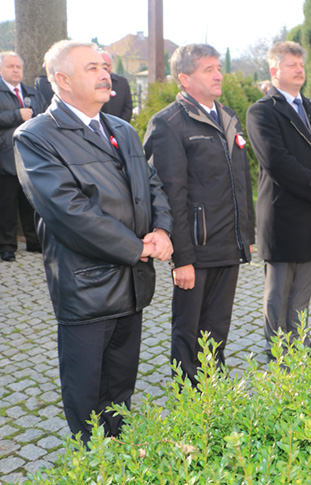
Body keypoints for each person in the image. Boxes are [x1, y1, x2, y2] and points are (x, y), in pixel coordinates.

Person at [14, 40, 173, 442]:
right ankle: (92, 464)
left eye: (104, 66)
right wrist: (137, 247)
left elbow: (152, 185)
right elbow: (70, 214)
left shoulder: (121, 129)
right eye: (91, 68)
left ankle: (119, 456)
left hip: (132, 287)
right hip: (87, 290)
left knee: (120, 391)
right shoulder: (36, 137)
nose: (105, 73)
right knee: (86, 397)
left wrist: (163, 230)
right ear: (63, 81)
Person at [143, 44, 255, 385]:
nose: (218, 74)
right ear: (185, 78)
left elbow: (242, 184)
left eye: (218, 67)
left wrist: (245, 238)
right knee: (189, 333)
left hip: (228, 246)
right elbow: (169, 197)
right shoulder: (168, 125)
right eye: (208, 69)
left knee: (218, 329)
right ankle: (189, 403)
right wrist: (183, 259)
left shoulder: (228, 117)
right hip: (196, 250)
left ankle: (212, 395)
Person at [246, 41, 311, 360]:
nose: (300, 70)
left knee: (303, 289)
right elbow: (277, 161)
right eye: (292, 65)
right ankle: (277, 347)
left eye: (302, 65)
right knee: (278, 291)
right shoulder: (262, 111)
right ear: (275, 71)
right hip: (284, 214)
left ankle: (298, 339)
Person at [0, 51, 40, 261]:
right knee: (6, 205)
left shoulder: (31, 92)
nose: (15, 70)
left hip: (28, 158)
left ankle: (34, 241)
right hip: (4, 159)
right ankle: (7, 246)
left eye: (18, 67)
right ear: (1, 70)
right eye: (10, 66)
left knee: (30, 203)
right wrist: (17, 115)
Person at [99, 51, 133, 122]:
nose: (105, 69)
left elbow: (128, 108)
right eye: (102, 66)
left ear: (111, 66)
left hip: (120, 127)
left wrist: (118, 128)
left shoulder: (122, 82)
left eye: (107, 66)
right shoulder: (91, 84)